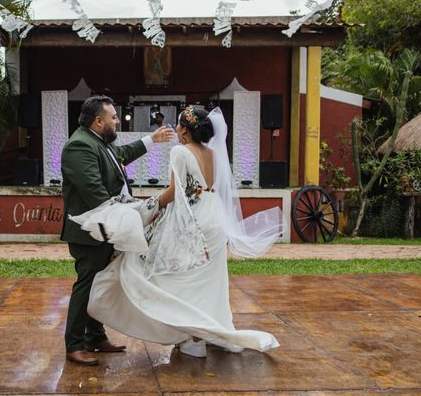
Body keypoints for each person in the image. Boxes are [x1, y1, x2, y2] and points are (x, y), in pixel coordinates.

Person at [74, 106, 283, 358]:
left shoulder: (180, 151)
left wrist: (147, 208)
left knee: (179, 279)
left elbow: (176, 192)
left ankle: (192, 338)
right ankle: (213, 330)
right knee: (210, 281)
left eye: (179, 126)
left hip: (194, 219)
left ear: (184, 129)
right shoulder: (216, 154)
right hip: (216, 218)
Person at [60, 95, 173, 366]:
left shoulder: (99, 142)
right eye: (113, 117)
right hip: (91, 231)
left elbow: (121, 155)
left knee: (104, 282)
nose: (117, 121)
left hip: (108, 226)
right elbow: (94, 194)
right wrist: (137, 210)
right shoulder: (79, 146)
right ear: (98, 121)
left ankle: (95, 336)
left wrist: (151, 140)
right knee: (87, 285)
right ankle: (74, 344)